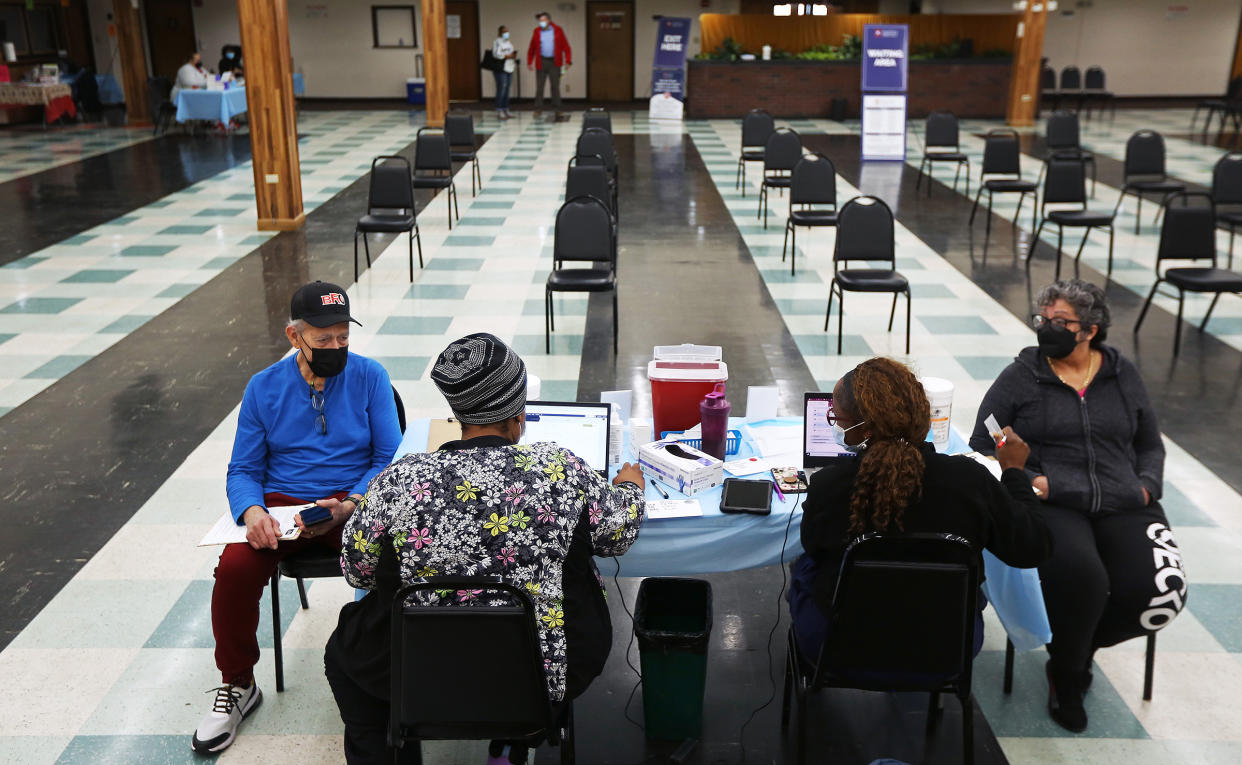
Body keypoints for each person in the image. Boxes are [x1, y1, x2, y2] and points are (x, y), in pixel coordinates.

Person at [325, 333, 646, 765]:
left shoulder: (401, 479)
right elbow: (616, 534)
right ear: (518, 418)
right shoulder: (558, 469)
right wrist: (628, 486)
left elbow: (356, 570)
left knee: (345, 655)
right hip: (539, 675)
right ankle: (518, 740)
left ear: (459, 414)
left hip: (421, 677)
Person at [191, 281, 402, 754]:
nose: (336, 347)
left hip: (350, 501)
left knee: (393, 562)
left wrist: (352, 502)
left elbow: (389, 455)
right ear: (294, 336)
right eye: (323, 339)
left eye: (343, 337)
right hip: (282, 507)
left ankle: (388, 670)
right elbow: (244, 467)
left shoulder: (369, 377)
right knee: (233, 570)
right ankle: (239, 683)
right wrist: (251, 512)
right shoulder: (263, 387)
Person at [970, 279, 1187, 733]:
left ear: (1089, 330)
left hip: (1125, 500)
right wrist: (1033, 482)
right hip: (1055, 501)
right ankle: (1068, 675)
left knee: (1161, 591)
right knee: (1083, 582)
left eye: (1059, 322)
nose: (1046, 328)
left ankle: (1077, 648)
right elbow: (984, 443)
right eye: (1042, 319)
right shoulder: (1022, 375)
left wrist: (1147, 486)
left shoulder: (1121, 373)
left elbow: (1150, 443)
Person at [791, 357, 1051, 673]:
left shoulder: (829, 487)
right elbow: (1032, 546)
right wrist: (1013, 472)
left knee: (803, 564)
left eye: (837, 417)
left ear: (864, 429)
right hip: (948, 646)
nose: (835, 424)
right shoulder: (971, 482)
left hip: (838, 644)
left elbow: (814, 547)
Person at [526, 11, 571, 114]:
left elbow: (566, 47)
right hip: (541, 61)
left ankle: (557, 108)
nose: (541, 22)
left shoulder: (558, 30)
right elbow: (532, 48)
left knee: (555, 85)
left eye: (543, 20)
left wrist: (568, 61)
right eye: (540, 21)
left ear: (549, 20)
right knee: (540, 86)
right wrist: (529, 62)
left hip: (554, 62)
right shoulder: (537, 31)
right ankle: (538, 108)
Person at [491, 26, 517, 119]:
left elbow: (511, 52)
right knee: (501, 89)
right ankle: (499, 109)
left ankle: (506, 109)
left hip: (510, 68)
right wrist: (506, 56)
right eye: (504, 32)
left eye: (507, 31)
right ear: (500, 33)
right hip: (501, 69)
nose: (506, 33)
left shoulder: (509, 42)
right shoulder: (497, 42)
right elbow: (496, 54)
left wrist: (512, 55)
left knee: (507, 90)